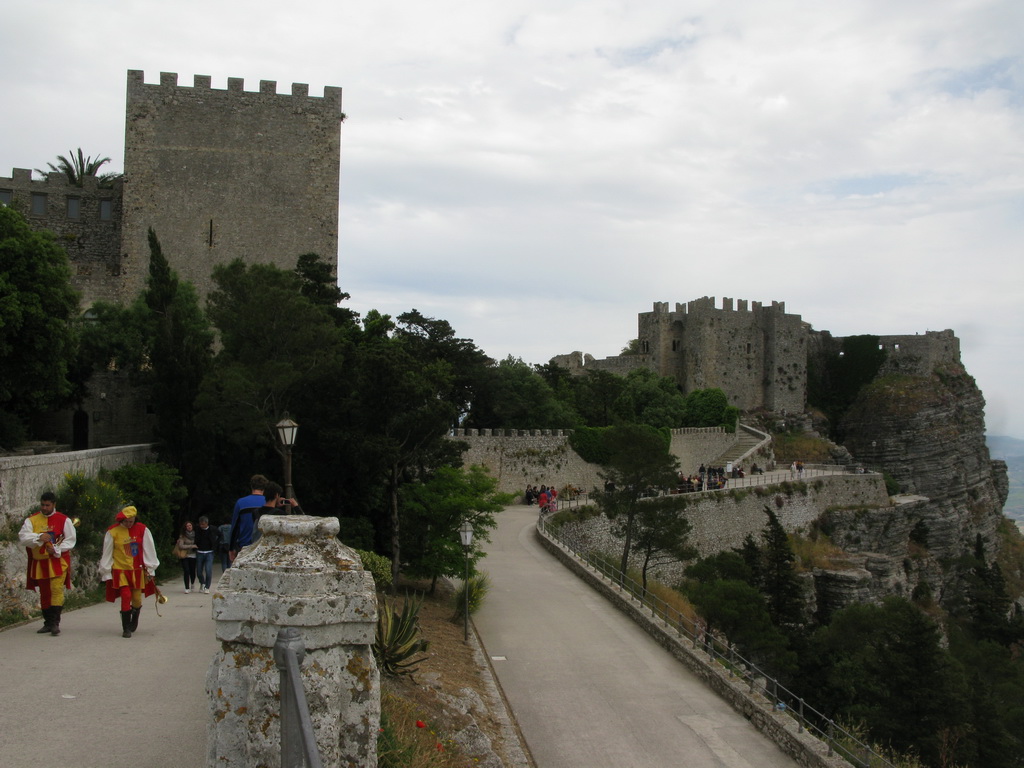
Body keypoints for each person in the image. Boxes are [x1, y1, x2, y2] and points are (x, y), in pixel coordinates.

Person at [19, 491, 76, 636]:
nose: (44, 508)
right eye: (42, 505)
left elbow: (70, 540)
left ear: (54, 504)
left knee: (56, 589)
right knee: (44, 593)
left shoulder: (64, 520)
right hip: (40, 562)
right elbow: (23, 537)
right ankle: (48, 623)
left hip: (57, 561)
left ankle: (55, 623)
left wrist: (57, 549)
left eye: (47, 505)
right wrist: (38, 537)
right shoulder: (32, 520)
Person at [99, 505, 160, 638]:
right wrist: (106, 571)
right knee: (126, 595)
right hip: (120, 570)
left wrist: (151, 569)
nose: (128, 524)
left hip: (137, 570)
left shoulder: (143, 529)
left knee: (136, 599)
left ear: (135, 519)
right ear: (121, 520)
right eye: (126, 521)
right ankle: (126, 627)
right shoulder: (113, 531)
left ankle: (135, 618)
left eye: (131, 521)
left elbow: (149, 550)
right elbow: (107, 552)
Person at [229, 474, 268, 562]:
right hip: (263, 545)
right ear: (264, 487)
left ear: (251, 486)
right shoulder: (268, 502)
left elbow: (235, 527)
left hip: (244, 545)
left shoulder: (241, 503)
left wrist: (231, 548)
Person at [194, 516, 220, 594]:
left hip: (209, 552)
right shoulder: (198, 529)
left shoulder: (213, 529)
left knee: (208, 570)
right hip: (200, 552)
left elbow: (220, 535)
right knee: (199, 571)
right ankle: (202, 582)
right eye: (200, 524)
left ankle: (207, 587)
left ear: (206, 523)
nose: (201, 526)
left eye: (203, 524)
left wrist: (215, 544)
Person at [177, 521, 198, 593]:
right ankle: (187, 587)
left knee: (192, 571)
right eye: (187, 526)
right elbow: (181, 546)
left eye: (190, 525)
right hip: (185, 555)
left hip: (193, 555)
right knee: (186, 570)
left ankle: (192, 583)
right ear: (185, 527)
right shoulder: (182, 536)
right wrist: (191, 546)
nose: (189, 527)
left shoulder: (196, 534)